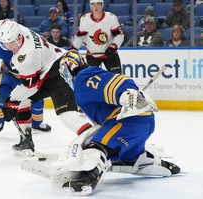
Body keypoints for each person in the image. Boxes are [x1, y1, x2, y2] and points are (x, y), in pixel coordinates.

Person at [45, 51, 181, 195]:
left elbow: (116, 82)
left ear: (68, 70)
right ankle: (150, 161)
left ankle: (90, 176)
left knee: (95, 146)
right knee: (127, 156)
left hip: (126, 122)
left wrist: (125, 95)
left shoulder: (83, 78)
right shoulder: (87, 77)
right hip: (139, 123)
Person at [0, 19, 92, 156]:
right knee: (22, 101)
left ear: (18, 39)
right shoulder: (18, 29)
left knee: (67, 116)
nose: (8, 47)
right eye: (5, 44)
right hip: (49, 68)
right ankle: (26, 140)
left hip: (58, 72)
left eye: (10, 44)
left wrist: (11, 102)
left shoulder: (26, 56)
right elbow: (4, 23)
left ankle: (94, 141)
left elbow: (31, 87)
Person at [71, 0, 124, 74]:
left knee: (117, 79)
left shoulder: (111, 18)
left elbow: (119, 35)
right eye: (93, 4)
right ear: (90, 6)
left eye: (98, 4)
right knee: (91, 80)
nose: (95, 7)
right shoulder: (85, 19)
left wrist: (113, 47)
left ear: (102, 5)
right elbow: (80, 36)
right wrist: (74, 48)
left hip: (110, 54)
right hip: (92, 55)